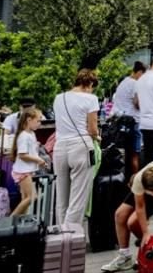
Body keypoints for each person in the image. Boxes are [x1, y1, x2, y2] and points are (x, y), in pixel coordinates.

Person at [53, 68, 100, 229]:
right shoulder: (91, 99)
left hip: (60, 147)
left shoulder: (59, 98)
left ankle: (60, 233)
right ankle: (70, 234)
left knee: (62, 196)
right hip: (80, 146)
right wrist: (98, 137)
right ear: (90, 83)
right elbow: (92, 129)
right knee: (78, 196)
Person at [111, 61, 146, 175]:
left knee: (126, 153)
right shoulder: (136, 84)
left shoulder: (123, 82)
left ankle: (126, 180)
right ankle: (135, 182)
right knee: (135, 154)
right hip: (133, 122)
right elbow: (137, 103)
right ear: (140, 72)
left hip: (121, 121)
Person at [10, 107, 46, 216]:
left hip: (24, 170)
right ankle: (9, 221)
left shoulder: (30, 134)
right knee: (31, 197)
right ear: (29, 120)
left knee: (25, 199)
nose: (39, 123)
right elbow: (22, 155)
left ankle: (20, 222)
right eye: (38, 120)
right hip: (23, 171)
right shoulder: (24, 136)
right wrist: (39, 160)